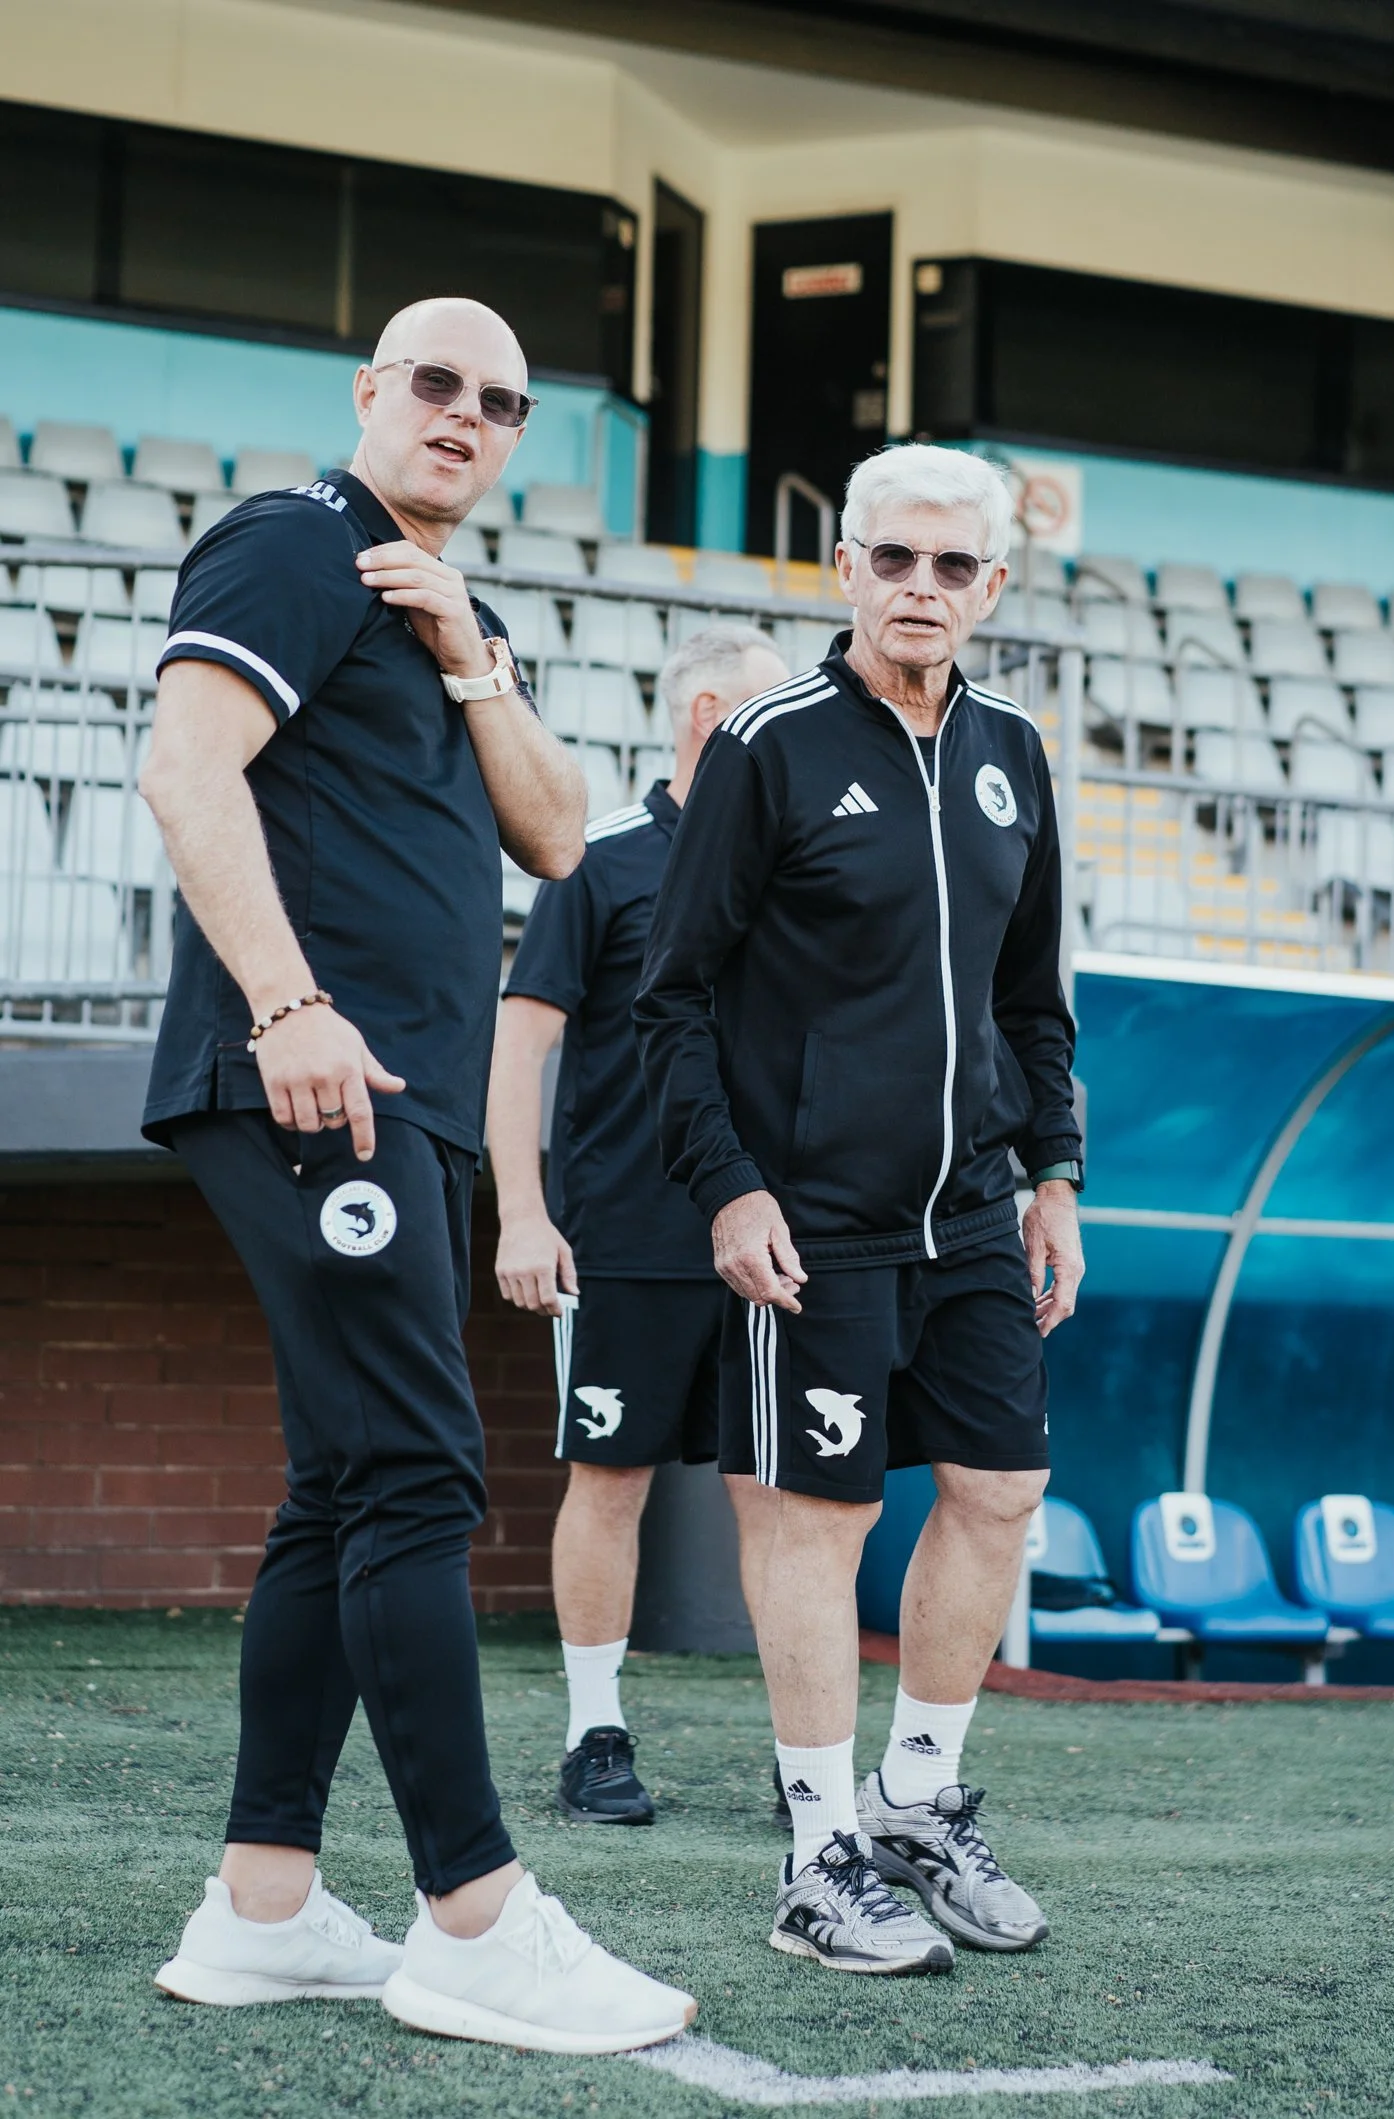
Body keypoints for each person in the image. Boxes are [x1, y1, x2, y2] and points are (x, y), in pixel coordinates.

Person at [139, 296, 695, 2052]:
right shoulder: (299, 542)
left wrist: (472, 650)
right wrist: (289, 1001)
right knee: (418, 1473)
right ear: (371, 392)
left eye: (503, 401)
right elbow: (181, 761)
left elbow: (554, 828)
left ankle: (266, 1903)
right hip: (320, 1070)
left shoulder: (439, 598)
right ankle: (473, 1911)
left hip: (405, 1099)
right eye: (435, 383)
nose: (466, 414)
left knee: (342, 1486)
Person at [636, 443, 1085, 1976]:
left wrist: (1053, 1175)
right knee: (816, 1520)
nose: (918, 588)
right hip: (807, 1216)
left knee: (998, 1492)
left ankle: (913, 1799)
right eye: (891, 559)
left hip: (970, 1208)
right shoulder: (765, 745)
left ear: (990, 586)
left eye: (950, 567)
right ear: (843, 567)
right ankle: (816, 1850)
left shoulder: (1013, 752)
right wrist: (728, 1184)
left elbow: (1034, 998)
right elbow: (673, 995)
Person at [486, 626, 790, 1826]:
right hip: (624, 1237)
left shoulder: (793, 862)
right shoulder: (598, 858)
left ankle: (802, 1749)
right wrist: (522, 1211)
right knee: (607, 1481)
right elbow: (520, 1044)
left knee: (780, 1499)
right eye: (773, 716)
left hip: (773, 1240)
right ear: (709, 715)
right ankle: (592, 1735)